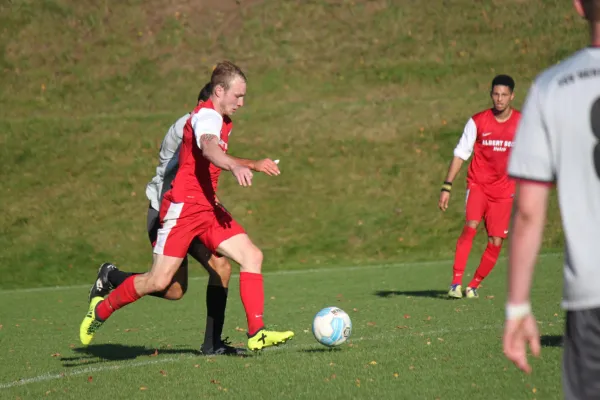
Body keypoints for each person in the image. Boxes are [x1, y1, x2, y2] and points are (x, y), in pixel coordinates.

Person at [80, 61, 294, 351]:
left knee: (250, 256)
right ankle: (103, 309)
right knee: (161, 283)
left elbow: (212, 153)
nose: (242, 103)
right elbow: (209, 148)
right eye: (238, 96)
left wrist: (251, 164)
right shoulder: (205, 118)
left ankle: (256, 332)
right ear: (218, 91)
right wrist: (233, 166)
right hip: (180, 210)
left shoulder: (221, 119)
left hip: (206, 208)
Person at [87, 83, 249, 355]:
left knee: (219, 269)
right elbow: (182, 179)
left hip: (192, 212)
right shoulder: (193, 126)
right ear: (207, 102)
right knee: (171, 288)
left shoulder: (207, 127)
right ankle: (111, 276)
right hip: (167, 212)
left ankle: (213, 344)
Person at [503, 1, 600, 397]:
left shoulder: (551, 86)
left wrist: (517, 306)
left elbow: (528, 211)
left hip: (591, 295)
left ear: (579, 6)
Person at [438, 75, 521, 299]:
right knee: (471, 225)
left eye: (504, 95)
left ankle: (473, 285)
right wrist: (447, 186)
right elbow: (460, 154)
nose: (500, 99)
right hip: (479, 185)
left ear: (512, 96)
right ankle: (455, 282)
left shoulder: (523, 123)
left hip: (504, 192)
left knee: (496, 241)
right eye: (496, 94)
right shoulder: (478, 121)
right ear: (491, 94)